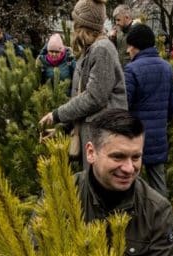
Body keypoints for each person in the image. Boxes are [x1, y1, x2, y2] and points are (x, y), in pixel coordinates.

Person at [77, 109, 173, 256]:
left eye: (136, 157)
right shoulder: (61, 193)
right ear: (91, 152)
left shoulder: (156, 210)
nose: (129, 168)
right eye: (118, 157)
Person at [39, 0, 127, 169]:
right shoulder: (91, 49)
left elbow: (94, 97)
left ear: (83, 26)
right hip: (95, 136)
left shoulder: (102, 50)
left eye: (76, 23)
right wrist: (63, 128)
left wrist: (56, 115)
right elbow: (81, 96)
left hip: (105, 137)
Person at [124, 24, 173, 197]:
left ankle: (133, 213)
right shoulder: (167, 68)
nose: (128, 50)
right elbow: (172, 106)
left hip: (135, 136)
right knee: (158, 183)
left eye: (129, 46)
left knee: (129, 182)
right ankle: (164, 214)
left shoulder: (131, 70)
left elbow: (124, 105)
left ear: (136, 46)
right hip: (158, 137)